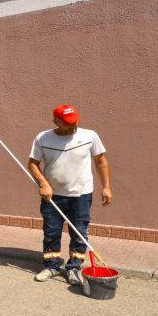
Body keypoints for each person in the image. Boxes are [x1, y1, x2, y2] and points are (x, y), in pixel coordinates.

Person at [27, 104, 112, 285]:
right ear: (56, 121)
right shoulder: (43, 138)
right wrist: (43, 184)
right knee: (51, 232)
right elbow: (32, 163)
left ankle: (73, 268)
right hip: (52, 196)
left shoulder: (90, 136)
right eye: (67, 123)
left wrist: (106, 187)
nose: (73, 126)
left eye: (75, 121)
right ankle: (52, 266)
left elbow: (101, 161)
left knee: (79, 232)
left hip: (81, 196)